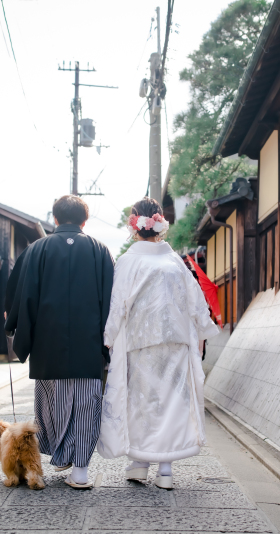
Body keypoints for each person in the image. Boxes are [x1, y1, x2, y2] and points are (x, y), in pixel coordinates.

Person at [98, 197, 220, 489]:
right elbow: (195, 299)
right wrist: (203, 329)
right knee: (172, 402)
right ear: (159, 223)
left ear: (135, 224)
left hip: (142, 343)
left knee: (143, 403)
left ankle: (140, 464)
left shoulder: (128, 261)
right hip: (175, 341)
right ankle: (165, 470)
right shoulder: (174, 260)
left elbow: (118, 305)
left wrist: (108, 336)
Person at [5, 195, 114, 489]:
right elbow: (112, 300)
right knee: (87, 405)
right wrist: (110, 341)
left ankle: (60, 453)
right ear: (84, 221)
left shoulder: (36, 249)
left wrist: (13, 325)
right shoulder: (100, 251)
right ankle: (79, 470)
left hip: (46, 344)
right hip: (90, 344)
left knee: (52, 403)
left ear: (54, 218)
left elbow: (20, 294)